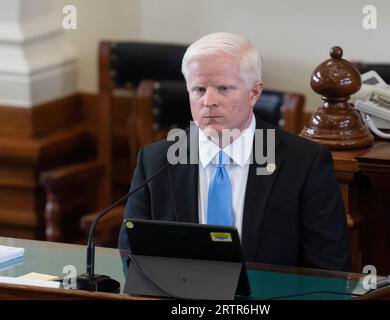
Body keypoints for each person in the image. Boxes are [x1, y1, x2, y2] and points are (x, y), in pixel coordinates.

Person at [118, 32, 349, 271]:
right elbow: (131, 258)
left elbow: (329, 271)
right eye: (198, 90)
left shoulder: (305, 162)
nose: (208, 101)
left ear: (254, 93)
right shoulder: (156, 161)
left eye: (223, 88)